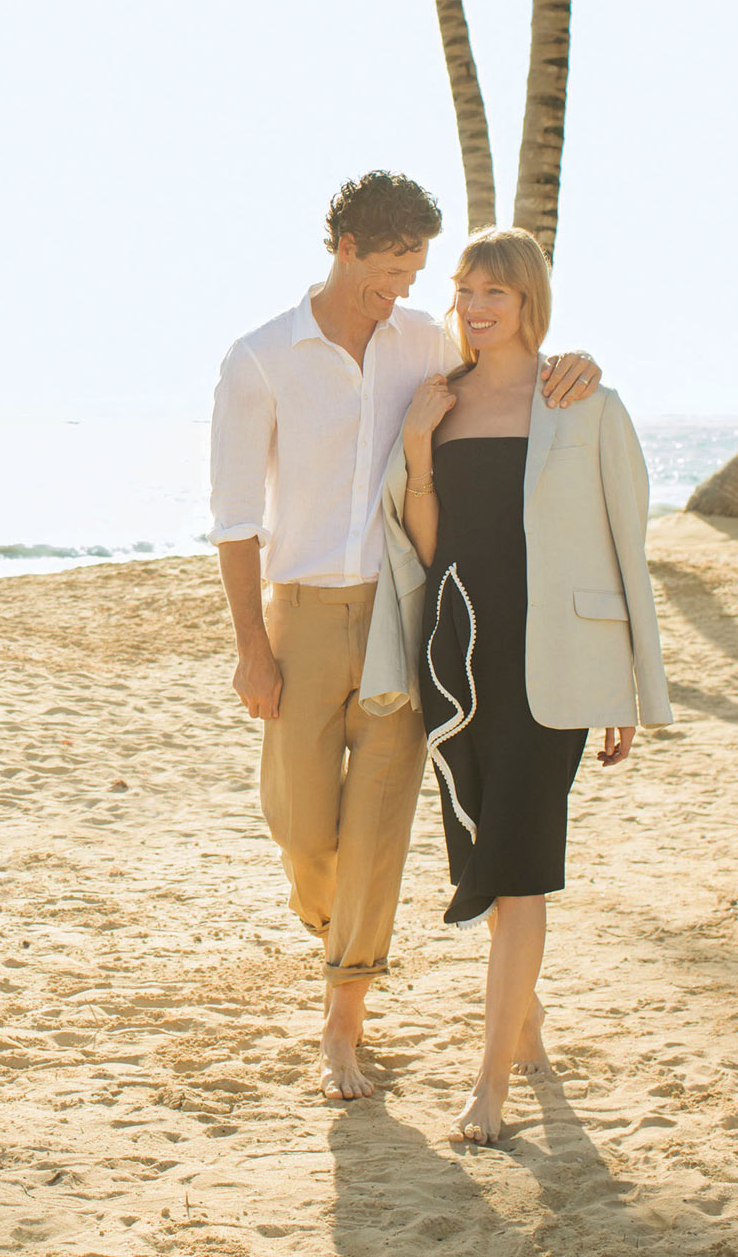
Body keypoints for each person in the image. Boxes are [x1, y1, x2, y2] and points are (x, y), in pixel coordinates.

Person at [208, 175, 601, 1101]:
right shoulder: (260, 359)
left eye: (415, 272)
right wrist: (250, 649)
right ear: (345, 249)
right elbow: (233, 520)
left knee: (377, 827)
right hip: (299, 614)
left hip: (401, 620)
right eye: (391, 271)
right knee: (303, 829)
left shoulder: (423, 340)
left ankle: (343, 1023)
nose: (406, 290)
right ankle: (340, 923)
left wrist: (575, 361)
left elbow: (510, 361)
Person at [361, 224, 671, 1146]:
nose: (476, 307)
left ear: (529, 299)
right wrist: (418, 448)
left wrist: (624, 690)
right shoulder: (438, 400)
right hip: (459, 657)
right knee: (485, 868)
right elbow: (423, 545)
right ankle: (525, 1023)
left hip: (557, 671)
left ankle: (490, 1084)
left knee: (521, 870)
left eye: (495, 292)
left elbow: (628, 548)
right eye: (465, 290)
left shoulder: (583, 401)